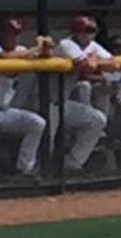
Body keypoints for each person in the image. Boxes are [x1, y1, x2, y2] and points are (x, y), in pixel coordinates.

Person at [0, 17, 50, 184]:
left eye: (16, 33)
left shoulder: (21, 50)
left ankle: (24, 169)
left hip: (5, 111)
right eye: (8, 32)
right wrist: (35, 49)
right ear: (0, 33)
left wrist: (46, 45)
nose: (12, 36)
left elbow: (45, 55)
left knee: (37, 123)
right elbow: (5, 59)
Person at [50, 15, 117, 175]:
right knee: (47, 142)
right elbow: (86, 65)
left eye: (92, 30)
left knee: (97, 120)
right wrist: (92, 60)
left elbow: (114, 63)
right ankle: (36, 172)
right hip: (43, 101)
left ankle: (72, 165)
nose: (89, 34)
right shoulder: (66, 44)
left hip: (62, 103)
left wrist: (95, 60)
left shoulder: (92, 46)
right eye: (86, 30)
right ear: (76, 32)